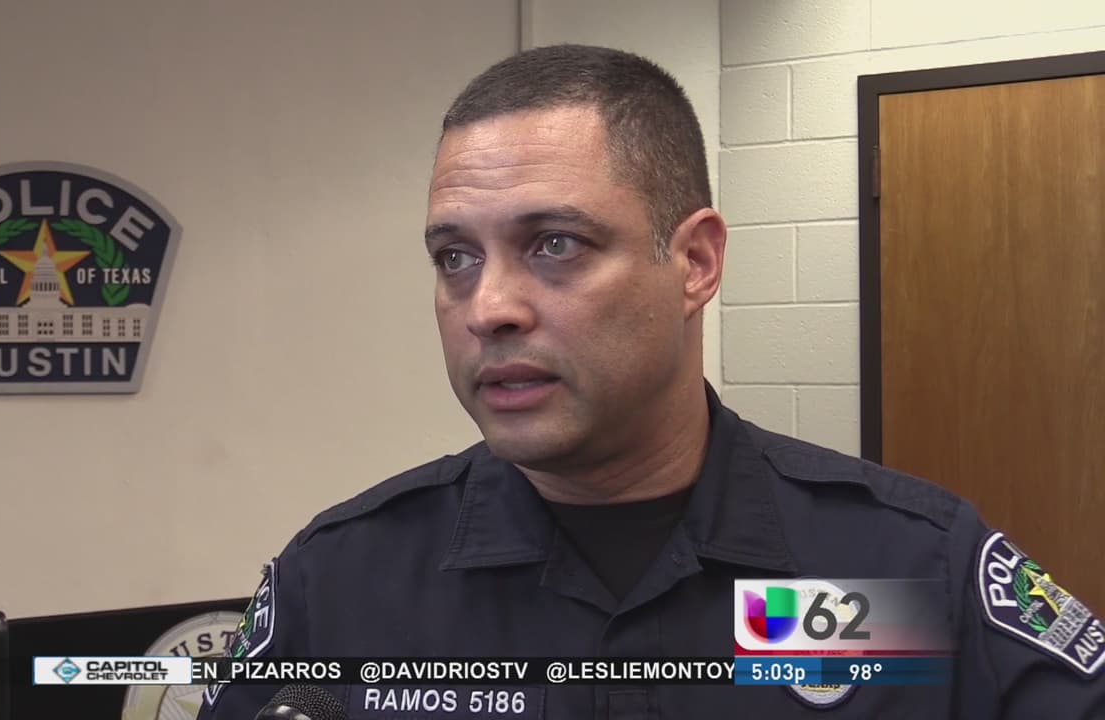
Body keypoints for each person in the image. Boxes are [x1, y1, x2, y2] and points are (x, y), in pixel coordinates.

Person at [199, 44, 1103, 719]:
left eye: (555, 244)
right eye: (455, 257)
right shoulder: (341, 588)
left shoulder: (907, 570)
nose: (489, 307)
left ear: (695, 262)